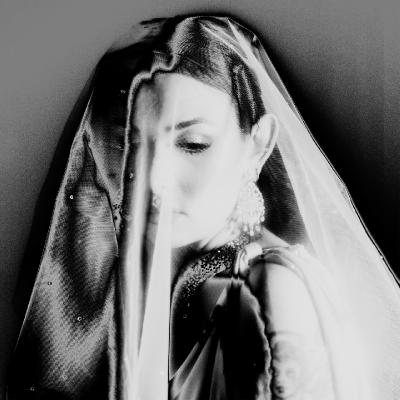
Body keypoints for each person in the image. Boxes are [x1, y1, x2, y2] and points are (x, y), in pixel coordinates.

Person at [6, 15, 400, 400]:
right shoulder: (158, 287)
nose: (154, 179)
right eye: (133, 146)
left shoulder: (269, 289)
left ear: (258, 145)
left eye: (193, 144)